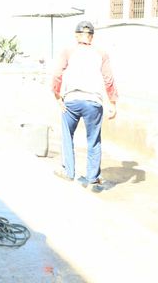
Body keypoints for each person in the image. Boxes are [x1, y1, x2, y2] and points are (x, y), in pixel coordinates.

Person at [51, 20, 118, 191]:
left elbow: (57, 74)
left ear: (76, 35)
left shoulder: (68, 51)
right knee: (93, 140)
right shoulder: (101, 53)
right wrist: (112, 102)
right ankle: (93, 178)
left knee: (67, 135)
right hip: (93, 102)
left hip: (71, 101)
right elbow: (108, 78)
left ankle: (69, 172)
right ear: (92, 37)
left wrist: (58, 96)